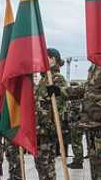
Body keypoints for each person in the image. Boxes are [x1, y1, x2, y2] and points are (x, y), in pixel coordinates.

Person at [61, 64, 101, 180]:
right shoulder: (96, 65)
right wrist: (61, 92)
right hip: (92, 126)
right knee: (97, 170)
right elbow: (87, 88)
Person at [34, 48, 68, 180]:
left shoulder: (57, 78)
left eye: (45, 58)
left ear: (53, 59)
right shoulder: (43, 79)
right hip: (39, 129)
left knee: (47, 166)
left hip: (47, 130)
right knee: (41, 165)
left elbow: (60, 105)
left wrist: (49, 124)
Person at [67, 81, 84, 169]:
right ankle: (77, 160)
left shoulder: (78, 102)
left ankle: (78, 161)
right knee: (76, 143)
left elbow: (75, 114)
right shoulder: (77, 101)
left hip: (76, 124)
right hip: (76, 124)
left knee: (76, 143)